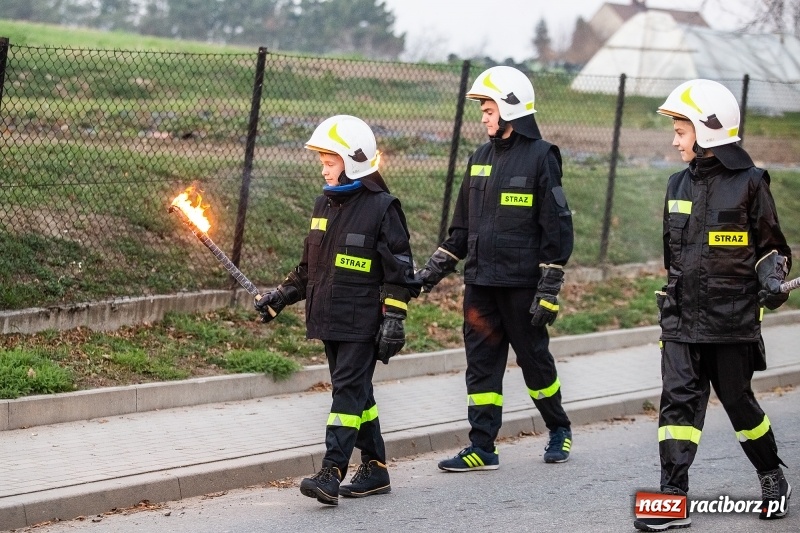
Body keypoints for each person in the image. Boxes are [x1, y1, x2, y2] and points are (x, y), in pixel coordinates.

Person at [634, 79, 792, 532]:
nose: (674, 139)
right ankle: (672, 496)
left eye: (680, 130)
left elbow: (771, 250)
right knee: (677, 407)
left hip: (732, 320)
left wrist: (772, 281)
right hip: (682, 319)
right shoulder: (675, 184)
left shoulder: (750, 183)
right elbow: (673, 256)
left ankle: (770, 475)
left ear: (707, 132)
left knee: (739, 404)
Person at [254, 115, 421, 505]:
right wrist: (279, 298)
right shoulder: (323, 205)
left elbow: (399, 271)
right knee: (357, 394)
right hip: (328, 317)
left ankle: (332, 471)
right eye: (323, 162)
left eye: (329, 162)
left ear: (354, 161)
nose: (323, 169)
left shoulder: (383, 208)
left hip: (363, 321)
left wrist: (393, 319)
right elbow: (309, 268)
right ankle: (376, 469)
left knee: (346, 392)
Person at [417, 66, 575, 471]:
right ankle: (482, 446)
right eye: (483, 110)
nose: (484, 117)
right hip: (481, 285)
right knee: (481, 367)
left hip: (521, 285)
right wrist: (426, 277)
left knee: (534, 360)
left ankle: (558, 428)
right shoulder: (479, 158)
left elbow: (556, 225)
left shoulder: (542, 156)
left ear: (510, 108)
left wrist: (549, 287)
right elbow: (460, 230)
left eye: (489, 109)